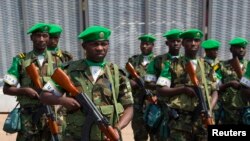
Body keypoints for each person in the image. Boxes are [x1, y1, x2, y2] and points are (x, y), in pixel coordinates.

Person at [40, 25, 134, 141]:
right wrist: (62, 100)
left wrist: (117, 129)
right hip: (75, 137)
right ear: (84, 46)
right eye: (94, 44)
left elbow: (129, 108)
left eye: (103, 44)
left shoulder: (117, 74)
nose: (100, 48)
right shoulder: (69, 70)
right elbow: (44, 95)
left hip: (107, 136)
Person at [156, 29, 218, 141]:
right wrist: (183, 89)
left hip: (203, 119)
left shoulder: (207, 66)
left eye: (196, 40)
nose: (193, 43)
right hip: (180, 121)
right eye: (189, 40)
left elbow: (215, 90)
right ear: (183, 43)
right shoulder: (172, 64)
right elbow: (161, 89)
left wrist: (210, 109)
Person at [3, 23, 53, 141]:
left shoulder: (59, 59)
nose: (41, 39)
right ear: (31, 38)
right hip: (29, 118)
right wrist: (24, 90)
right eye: (37, 36)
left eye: (44, 36)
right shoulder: (20, 60)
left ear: (48, 38)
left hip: (52, 116)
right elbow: (6, 89)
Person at [126, 34, 156, 141]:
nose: (144, 46)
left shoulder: (158, 61)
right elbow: (126, 80)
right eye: (143, 43)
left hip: (153, 105)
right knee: (139, 135)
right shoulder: (133, 60)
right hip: (137, 104)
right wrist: (132, 82)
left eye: (147, 44)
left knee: (155, 134)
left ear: (153, 45)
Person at [219, 37, 249, 124]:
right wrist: (229, 84)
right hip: (227, 109)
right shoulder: (221, 65)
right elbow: (216, 87)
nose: (241, 50)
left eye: (243, 47)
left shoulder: (249, 66)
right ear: (231, 49)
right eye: (238, 47)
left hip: (245, 109)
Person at [201, 39, 223, 124]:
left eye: (217, 49)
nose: (216, 51)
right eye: (214, 49)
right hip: (208, 98)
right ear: (207, 51)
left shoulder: (219, 63)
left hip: (219, 98)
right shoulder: (202, 63)